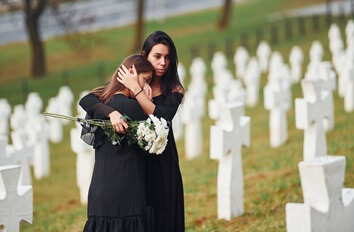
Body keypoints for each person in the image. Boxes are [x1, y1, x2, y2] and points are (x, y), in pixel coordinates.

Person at [80, 31, 185, 231]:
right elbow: (89, 99)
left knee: (163, 219)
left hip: (161, 162)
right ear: (144, 56)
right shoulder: (127, 80)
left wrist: (137, 89)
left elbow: (162, 118)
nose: (163, 62)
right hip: (134, 165)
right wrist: (112, 113)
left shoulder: (174, 90)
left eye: (167, 57)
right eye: (157, 56)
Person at [82, 54, 154, 232]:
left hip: (100, 191)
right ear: (131, 73)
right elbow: (150, 147)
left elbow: (85, 99)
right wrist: (148, 104)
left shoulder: (100, 102)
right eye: (146, 80)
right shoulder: (133, 107)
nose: (147, 86)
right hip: (127, 193)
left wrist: (111, 112)